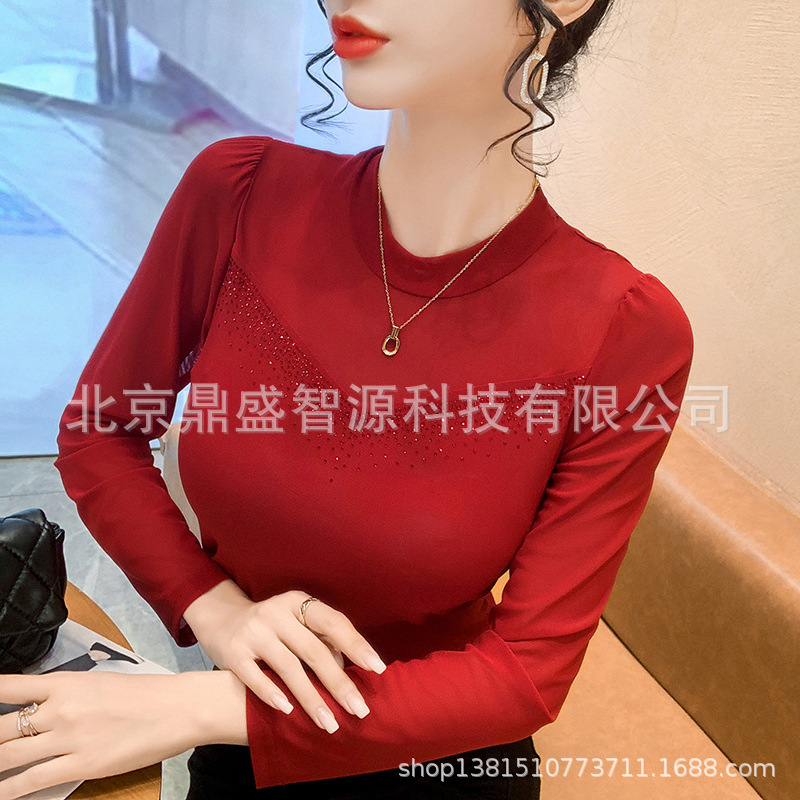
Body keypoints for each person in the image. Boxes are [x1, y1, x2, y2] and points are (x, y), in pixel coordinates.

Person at [0, 0, 694, 798]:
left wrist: (196, 706)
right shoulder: (240, 195)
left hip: (436, 760)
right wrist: (217, 612)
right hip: (245, 743)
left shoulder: (621, 330)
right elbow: (102, 430)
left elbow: (525, 674)